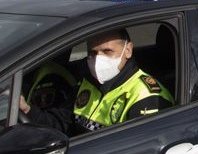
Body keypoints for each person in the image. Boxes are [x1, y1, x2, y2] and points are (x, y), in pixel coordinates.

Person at [21, 29, 174, 134]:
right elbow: (61, 124)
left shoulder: (147, 97)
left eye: (107, 51)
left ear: (128, 50)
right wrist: (28, 110)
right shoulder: (87, 84)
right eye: (92, 53)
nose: (97, 60)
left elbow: (133, 153)